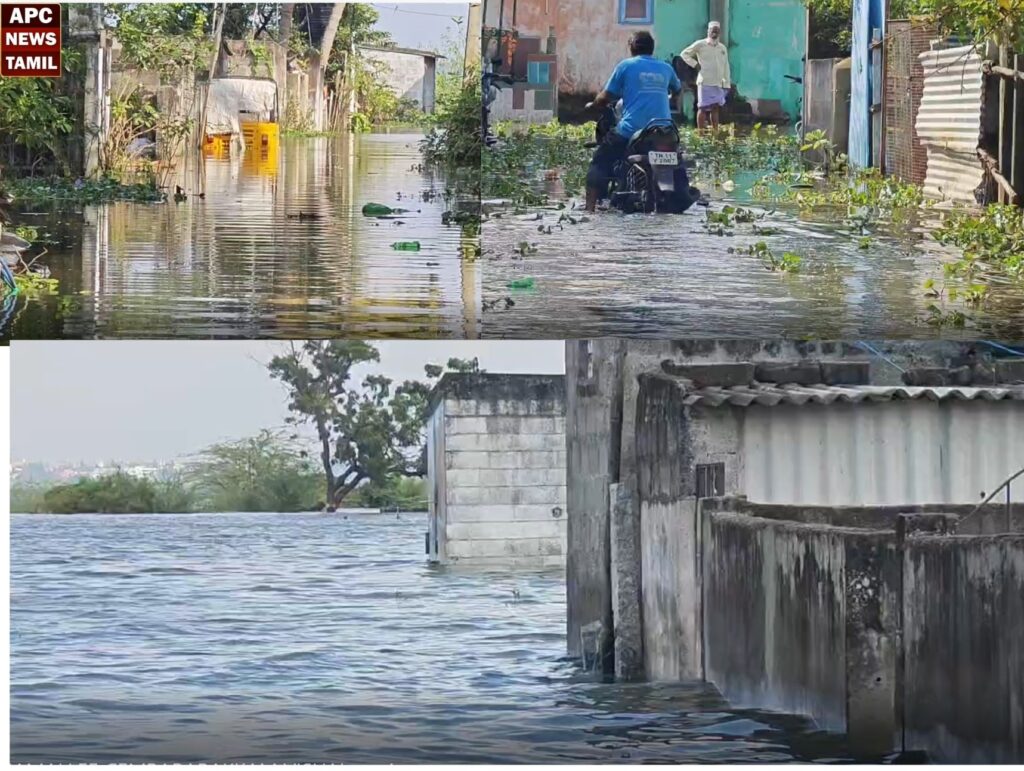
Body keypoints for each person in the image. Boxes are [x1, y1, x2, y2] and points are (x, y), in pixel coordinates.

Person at [583, 31, 681, 213]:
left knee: (599, 161)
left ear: (631, 48)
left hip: (632, 130)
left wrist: (594, 104)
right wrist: (668, 96)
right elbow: (677, 89)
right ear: (652, 49)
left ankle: (589, 210)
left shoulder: (626, 66)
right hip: (665, 132)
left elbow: (606, 96)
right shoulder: (666, 68)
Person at [681, 21, 732, 131]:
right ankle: (700, 133)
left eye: (717, 31)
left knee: (715, 108)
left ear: (719, 32)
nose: (714, 33)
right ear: (708, 31)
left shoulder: (722, 48)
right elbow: (684, 54)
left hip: (718, 82)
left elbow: (725, 66)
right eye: (712, 30)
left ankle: (715, 132)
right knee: (702, 108)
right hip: (705, 81)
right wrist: (695, 64)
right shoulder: (701, 44)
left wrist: (727, 82)